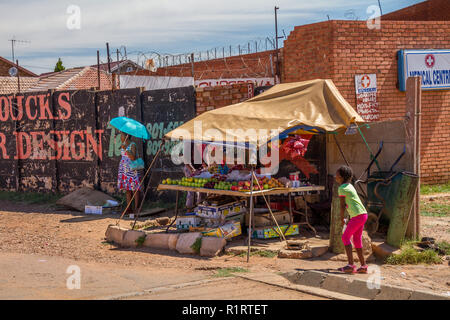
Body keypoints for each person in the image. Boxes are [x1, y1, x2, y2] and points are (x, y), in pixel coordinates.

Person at [335, 165, 368, 274]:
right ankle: (363, 266)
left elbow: (342, 206)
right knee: (356, 239)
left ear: (342, 177)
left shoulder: (342, 188)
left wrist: (342, 218)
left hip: (358, 216)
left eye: (337, 175)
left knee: (345, 237)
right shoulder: (350, 186)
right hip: (362, 214)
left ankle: (350, 265)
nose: (336, 176)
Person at [117, 132, 141, 214]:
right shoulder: (123, 144)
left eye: (122, 136)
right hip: (124, 171)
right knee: (127, 189)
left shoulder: (132, 145)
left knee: (135, 189)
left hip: (132, 170)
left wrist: (126, 149)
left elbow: (133, 157)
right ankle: (129, 208)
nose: (121, 137)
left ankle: (137, 208)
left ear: (126, 136)